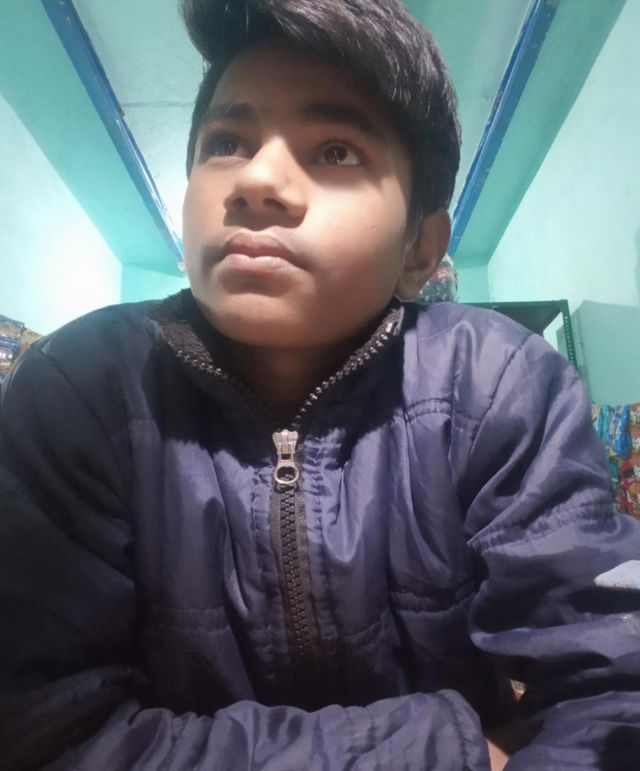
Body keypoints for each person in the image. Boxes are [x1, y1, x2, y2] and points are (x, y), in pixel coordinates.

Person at [1, 0, 639, 768]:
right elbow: (46, 731)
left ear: (420, 248)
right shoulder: (80, 391)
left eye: (335, 150)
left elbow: (616, 693)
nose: (256, 180)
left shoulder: (499, 385)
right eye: (225, 144)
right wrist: (455, 747)